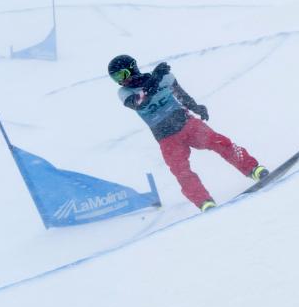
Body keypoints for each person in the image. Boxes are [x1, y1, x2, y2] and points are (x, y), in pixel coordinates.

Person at [108, 55, 268, 211]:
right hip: (166, 138)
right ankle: (204, 202)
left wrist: (196, 107)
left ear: (133, 68)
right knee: (180, 170)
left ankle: (253, 169)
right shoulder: (124, 93)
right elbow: (140, 102)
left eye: (122, 74)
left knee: (219, 142)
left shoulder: (165, 78)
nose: (121, 80)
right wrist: (154, 79)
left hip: (187, 124)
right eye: (115, 78)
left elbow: (181, 95)